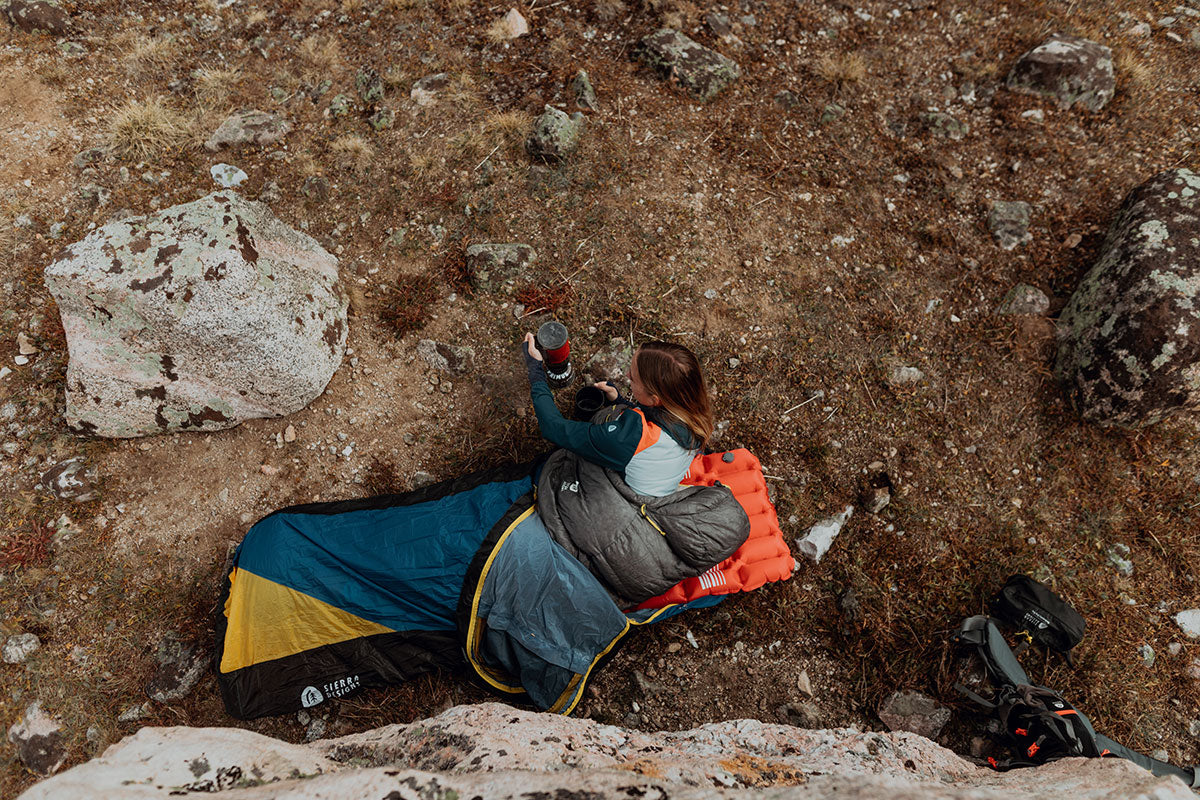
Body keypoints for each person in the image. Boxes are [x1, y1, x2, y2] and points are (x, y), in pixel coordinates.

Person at [521, 333, 714, 497]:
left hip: (628, 499)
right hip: (657, 482)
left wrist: (536, 371)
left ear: (654, 399)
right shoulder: (694, 412)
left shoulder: (627, 438)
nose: (628, 375)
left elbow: (552, 427)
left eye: (634, 377)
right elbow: (659, 424)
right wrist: (618, 401)